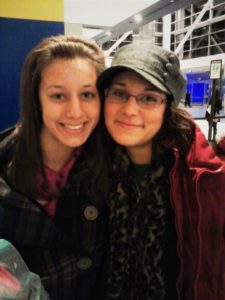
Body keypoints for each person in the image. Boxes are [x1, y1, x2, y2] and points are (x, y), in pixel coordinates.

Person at [97, 42, 225, 300]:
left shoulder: (202, 181)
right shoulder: (91, 164)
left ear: (167, 107)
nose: (130, 110)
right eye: (119, 93)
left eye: (149, 98)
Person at [0, 35, 108, 299]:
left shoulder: (112, 160)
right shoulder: (6, 164)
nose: (75, 111)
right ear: (37, 99)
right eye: (58, 95)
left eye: (87, 94)